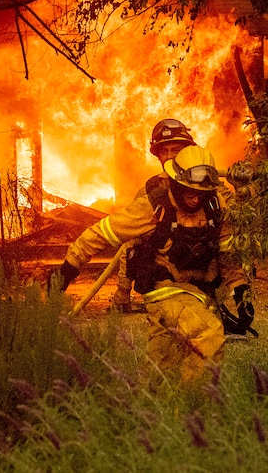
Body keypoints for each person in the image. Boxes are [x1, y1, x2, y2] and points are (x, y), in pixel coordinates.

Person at [56, 144, 253, 383]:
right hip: (165, 290)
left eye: (201, 194)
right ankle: (194, 400)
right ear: (176, 184)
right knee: (209, 335)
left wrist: (241, 291)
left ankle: (153, 402)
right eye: (189, 192)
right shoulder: (152, 207)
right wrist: (68, 268)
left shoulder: (215, 206)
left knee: (162, 370)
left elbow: (228, 254)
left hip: (201, 292)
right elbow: (102, 233)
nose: (195, 199)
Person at [110, 119, 196, 313]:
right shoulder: (149, 192)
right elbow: (130, 246)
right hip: (164, 278)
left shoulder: (206, 183)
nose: (169, 156)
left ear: (188, 151)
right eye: (164, 152)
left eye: (176, 150)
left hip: (202, 276)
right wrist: (123, 291)